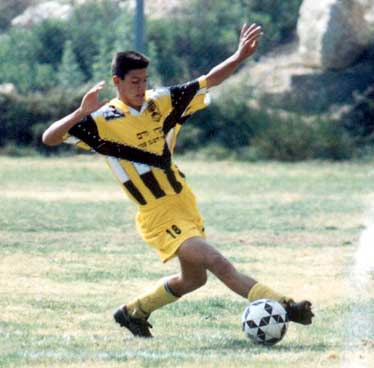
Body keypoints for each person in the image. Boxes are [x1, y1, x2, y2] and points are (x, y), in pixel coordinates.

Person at [42, 23, 314, 338]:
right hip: (157, 214)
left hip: (184, 203)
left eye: (144, 80)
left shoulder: (162, 101)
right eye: (134, 81)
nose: (141, 87)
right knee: (217, 262)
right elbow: (50, 138)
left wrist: (239, 56)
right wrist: (80, 112)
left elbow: (208, 80)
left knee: (195, 280)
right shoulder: (102, 120)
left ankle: (133, 311)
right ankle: (287, 305)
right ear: (117, 82)